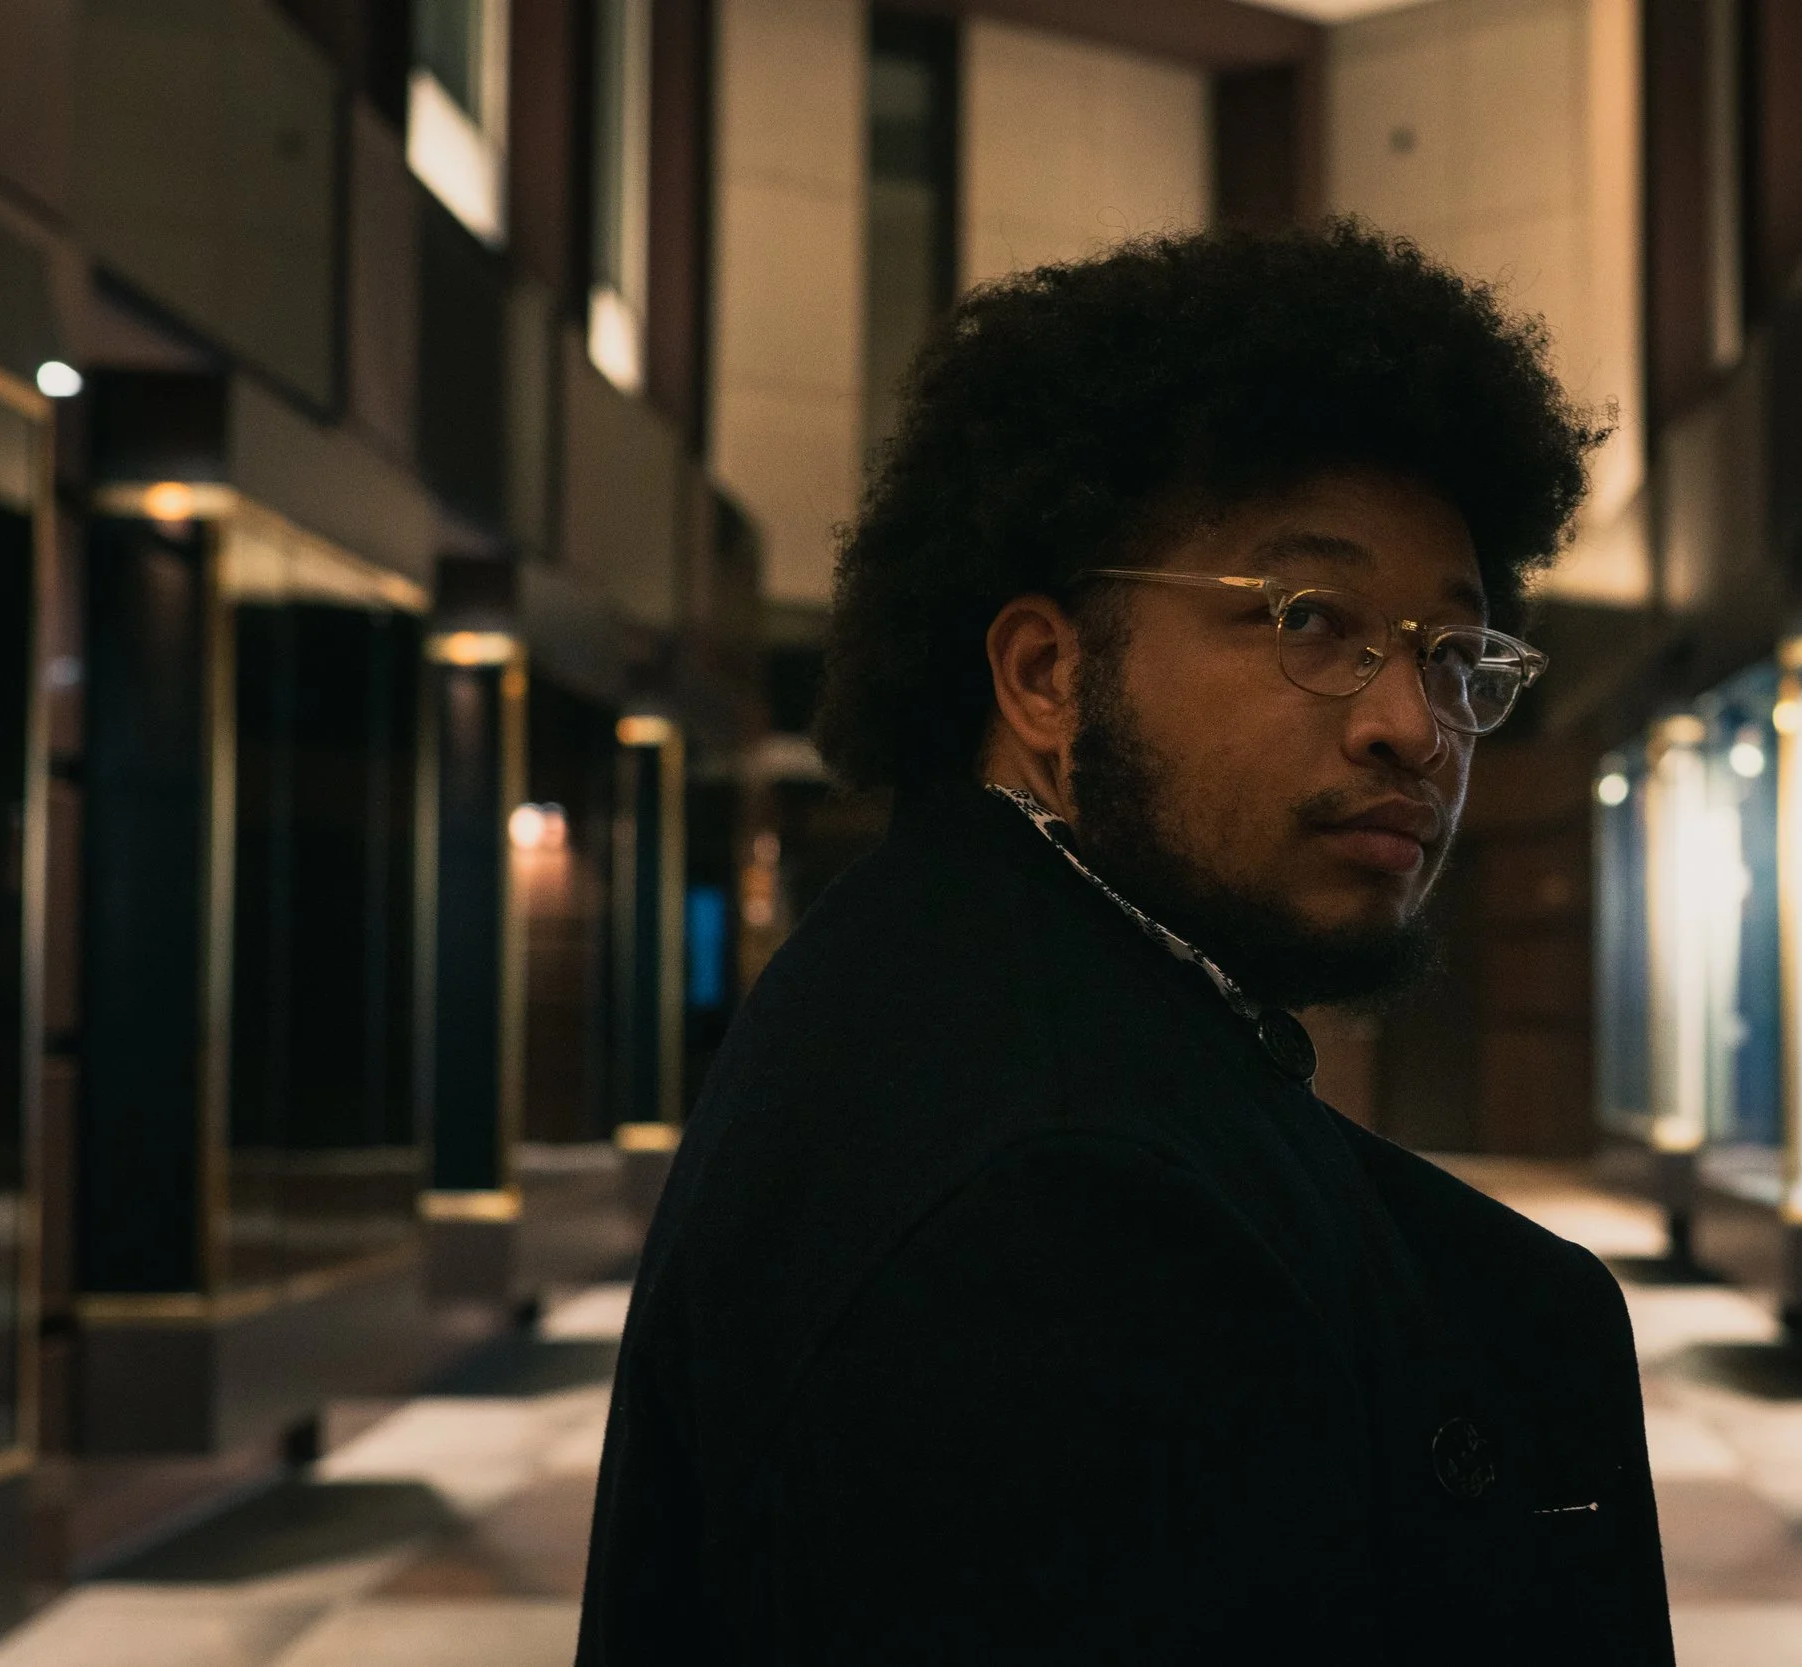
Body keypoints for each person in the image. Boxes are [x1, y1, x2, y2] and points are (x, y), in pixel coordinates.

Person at [577, 221, 1672, 1663]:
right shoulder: (1057, 1197)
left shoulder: (945, 976)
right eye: (1312, 617)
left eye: (1449, 653)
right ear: (1048, 673)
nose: (1411, 721)